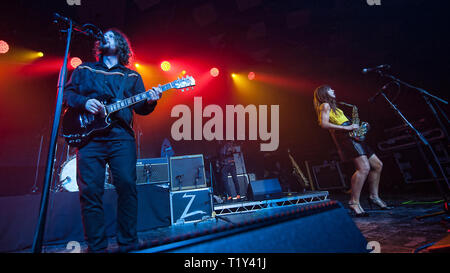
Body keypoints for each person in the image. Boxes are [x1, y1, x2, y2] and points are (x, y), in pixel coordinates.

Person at [63, 29, 162, 252]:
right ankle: (97, 247)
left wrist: (151, 101)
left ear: (121, 44)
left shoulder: (132, 76)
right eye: (103, 35)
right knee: (90, 192)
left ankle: (128, 243)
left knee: (127, 185)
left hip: (120, 137)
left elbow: (140, 108)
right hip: (89, 138)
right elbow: (67, 95)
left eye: (111, 35)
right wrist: (84, 102)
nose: (106, 37)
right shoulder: (84, 69)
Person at [313, 85, 392, 217]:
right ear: (324, 93)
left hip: (354, 137)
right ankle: (354, 202)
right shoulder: (325, 105)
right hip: (346, 138)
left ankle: (374, 197)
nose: (333, 90)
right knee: (364, 168)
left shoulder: (334, 107)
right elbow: (323, 124)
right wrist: (348, 127)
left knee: (377, 165)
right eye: (330, 89)